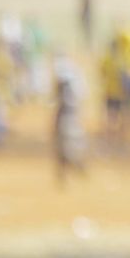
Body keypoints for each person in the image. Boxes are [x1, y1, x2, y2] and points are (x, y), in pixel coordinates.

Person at [53, 56, 89, 185]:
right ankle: (72, 170)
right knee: (68, 146)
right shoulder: (75, 82)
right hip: (71, 117)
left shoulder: (67, 86)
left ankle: (76, 168)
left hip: (69, 117)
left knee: (67, 146)